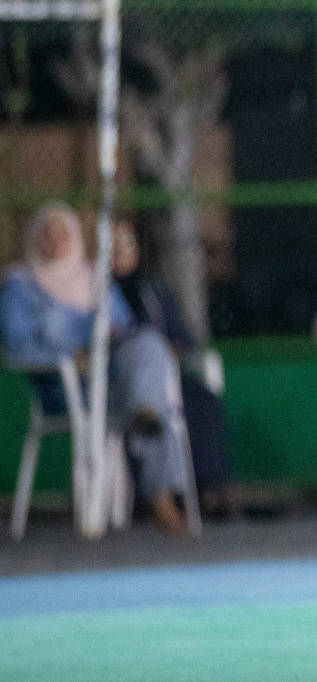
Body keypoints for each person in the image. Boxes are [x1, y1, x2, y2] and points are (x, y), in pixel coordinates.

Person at [0, 203, 191, 534]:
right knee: (150, 401)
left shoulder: (94, 279)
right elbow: (16, 344)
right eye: (46, 233)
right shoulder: (19, 286)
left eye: (61, 233)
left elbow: (121, 325)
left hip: (110, 382)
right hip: (65, 390)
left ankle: (160, 488)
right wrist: (70, 356)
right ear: (33, 238)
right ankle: (153, 466)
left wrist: (100, 345)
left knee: (146, 342)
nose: (54, 241)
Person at [110, 218, 233, 516]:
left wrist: (169, 353)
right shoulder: (94, 288)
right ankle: (161, 497)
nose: (120, 251)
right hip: (116, 382)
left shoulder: (151, 289)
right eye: (111, 244)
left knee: (201, 400)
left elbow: (181, 338)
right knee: (158, 404)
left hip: (165, 378)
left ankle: (206, 491)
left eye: (127, 244)